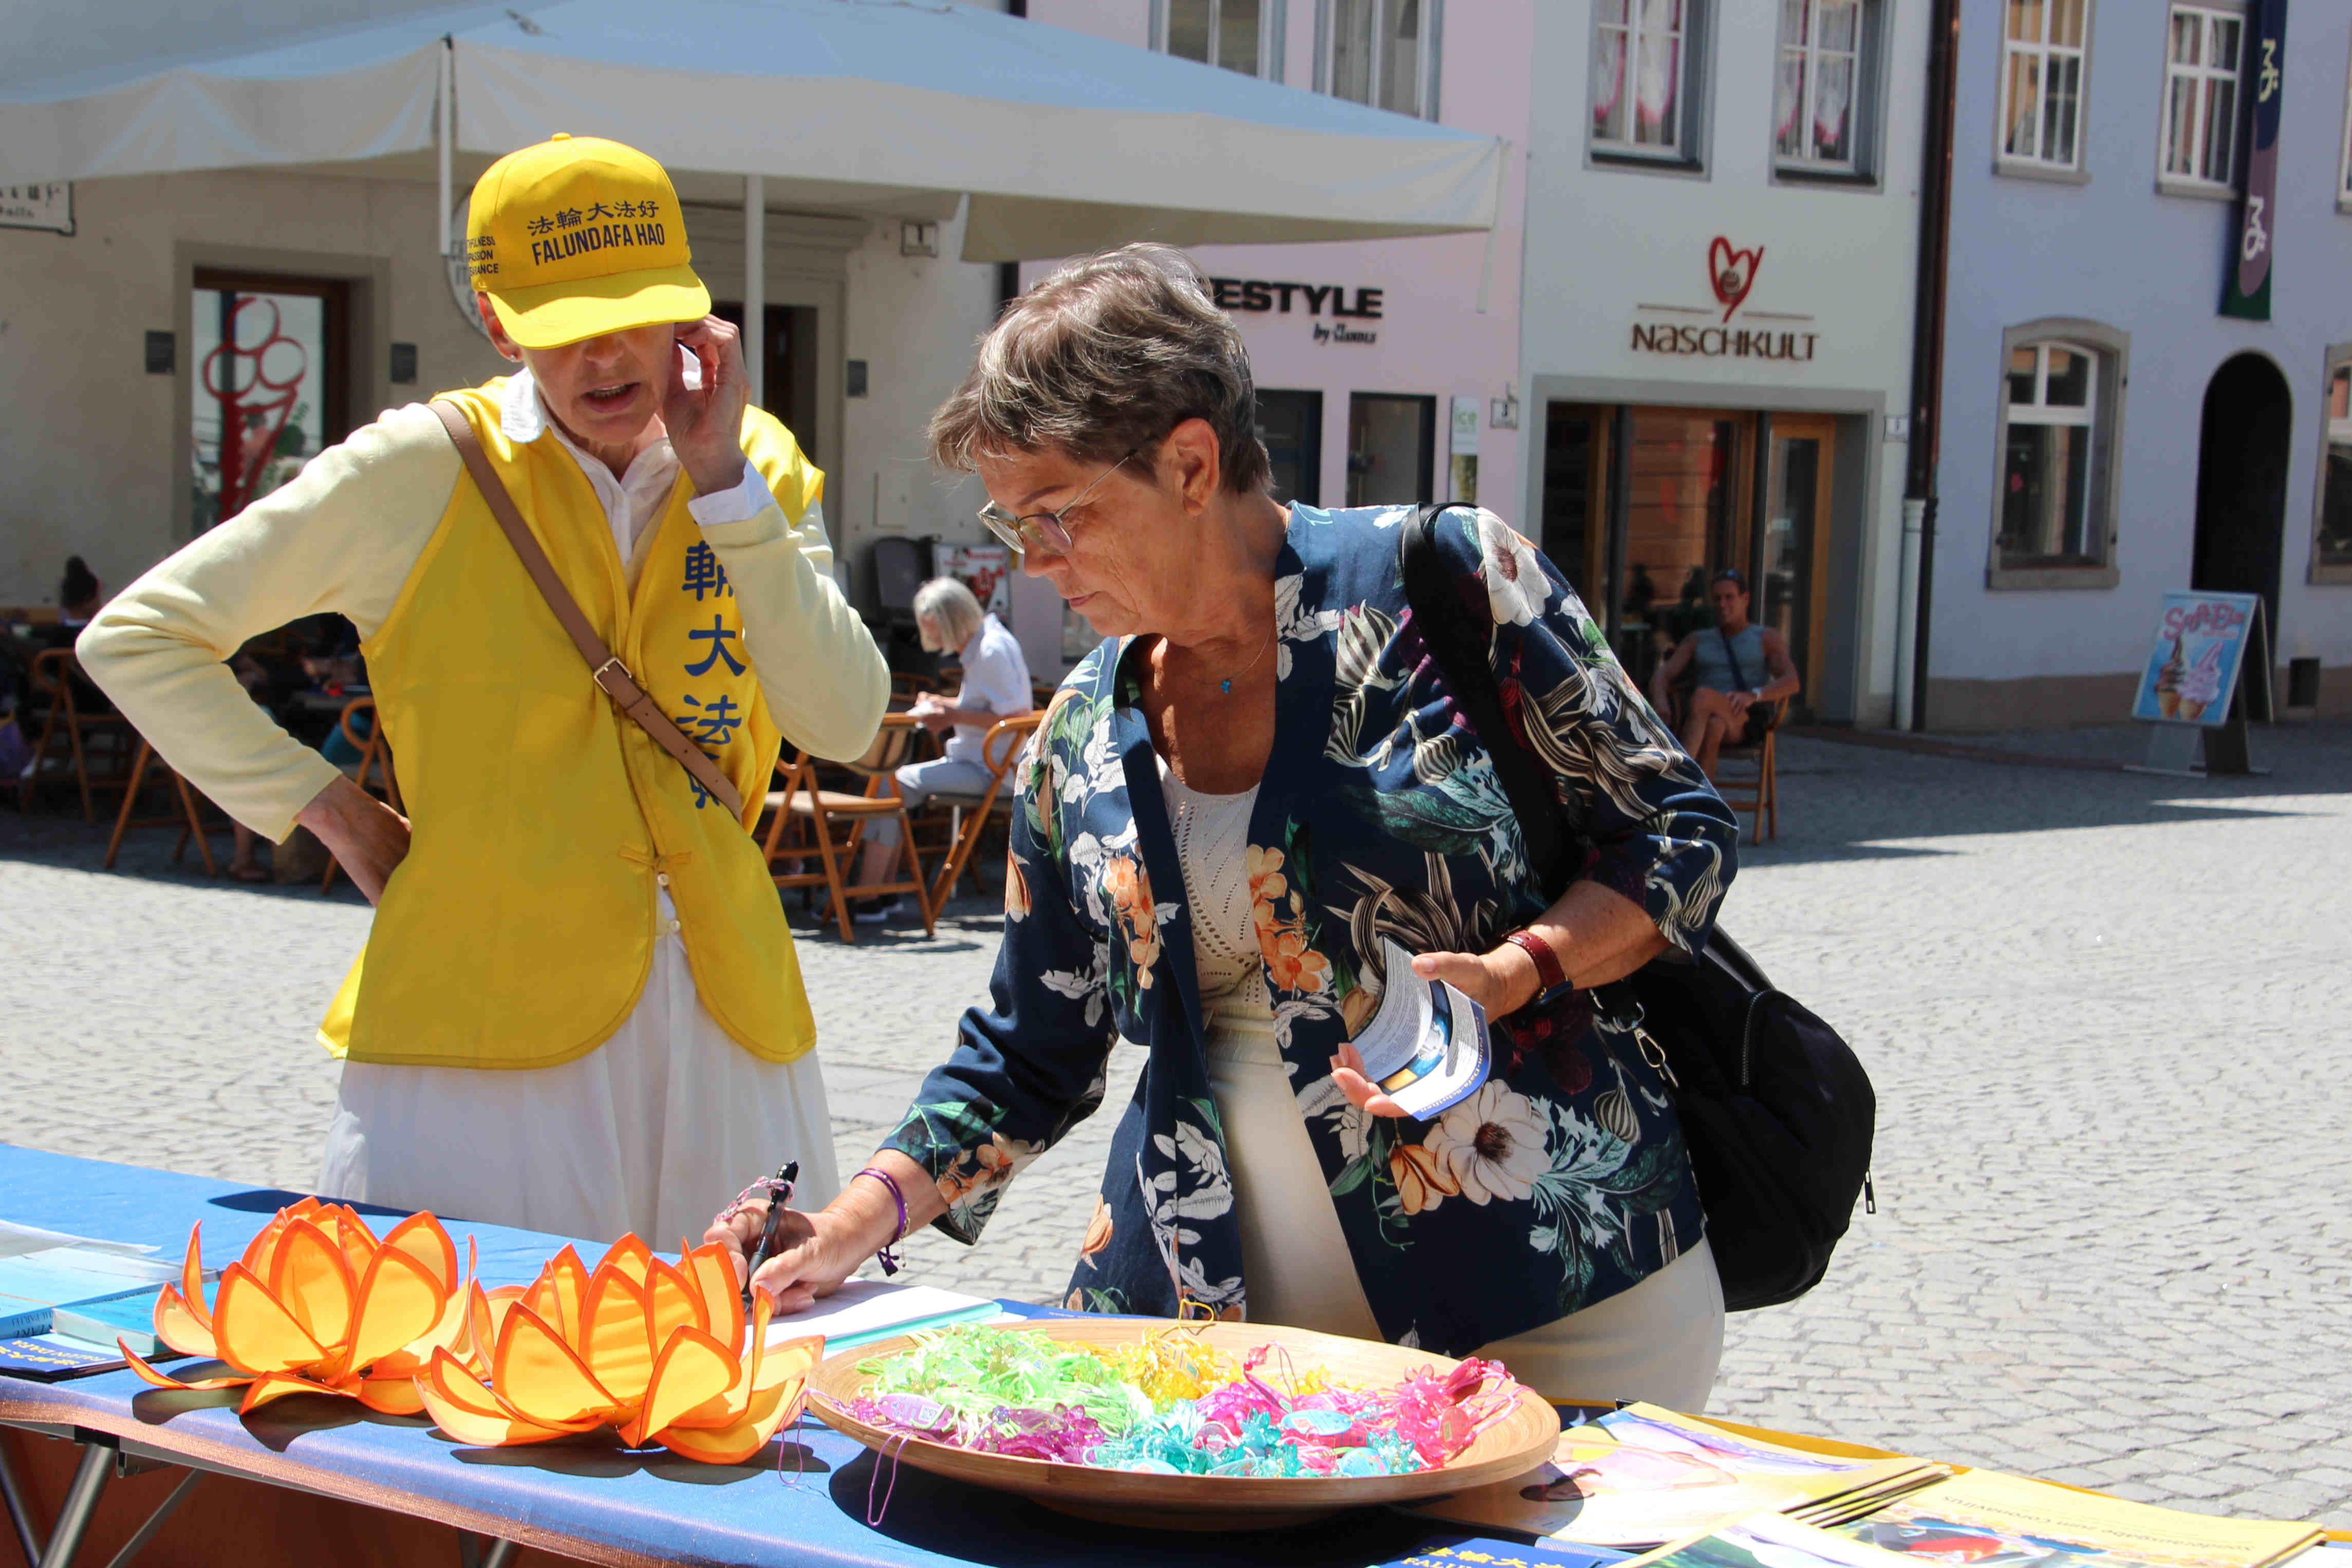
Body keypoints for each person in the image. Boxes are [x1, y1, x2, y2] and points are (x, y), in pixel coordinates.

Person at [709, 245, 1740, 1411]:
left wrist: (1516, 971)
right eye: (1011, 523)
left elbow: (1677, 833)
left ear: (1191, 463)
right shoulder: (1081, 728)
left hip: (1554, 1306)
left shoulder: (1443, 581)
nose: (1032, 563)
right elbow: (1027, 1050)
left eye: (1059, 516)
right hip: (1221, 1352)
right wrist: (847, 1222)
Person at [80, 133, 887, 1244]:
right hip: (480, 1029)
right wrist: (329, 807)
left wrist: (727, 491)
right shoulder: (421, 465)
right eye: (563, 326)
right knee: (481, 1338)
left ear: (692, 314)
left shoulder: (760, 463)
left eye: (637, 314)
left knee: (740, 1334)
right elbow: (140, 636)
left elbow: (843, 722)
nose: (606, 355)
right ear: (502, 326)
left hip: (728, 1013)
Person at [847, 576, 1033, 922]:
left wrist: (951, 715)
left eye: (936, 631)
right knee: (893, 784)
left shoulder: (989, 651)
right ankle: (881, 892)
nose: (935, 640)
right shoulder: (989, 642)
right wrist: (944, 704)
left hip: (992, 769)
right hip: (987, 763)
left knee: (889, 784)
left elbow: (1017, 716)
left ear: (951, 621)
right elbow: (994, 707)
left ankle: (870, 895)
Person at [1648, 569, 1800, 779]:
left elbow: (1792, 682)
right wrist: (1661, 702)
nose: (1722, 604)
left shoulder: (1765, 638)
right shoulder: (1698, 640)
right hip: (1707, 719)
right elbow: (1662, 675)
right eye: (1717, 599)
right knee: (1715, 725)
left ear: (1745, 599)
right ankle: (1703, 795)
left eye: (1729, 597)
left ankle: (1678, 777)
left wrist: (1754, 695)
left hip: (1744, 720)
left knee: (1703, 696)